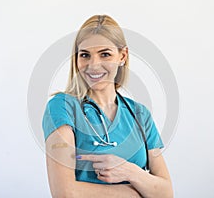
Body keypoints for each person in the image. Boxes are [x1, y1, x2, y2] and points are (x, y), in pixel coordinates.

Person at [42, 14, 173, 198]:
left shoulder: (139, 114)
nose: (93, 65)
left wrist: (130, 172)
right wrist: (136, 194)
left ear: (123, 56)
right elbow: (65, 193)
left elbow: (166, 193)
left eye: (105, 54)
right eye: (85, 55)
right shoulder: (62, 107)